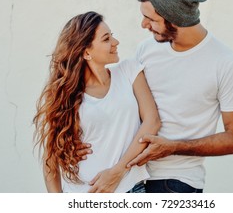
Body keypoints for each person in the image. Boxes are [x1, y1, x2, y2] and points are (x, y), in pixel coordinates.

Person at [125, 0, 233, 193]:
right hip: (130, 178)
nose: (144, 24)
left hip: (176, 183)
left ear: (175, 18)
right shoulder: (146, 50)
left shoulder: (225, 63)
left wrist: (173, 148)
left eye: (151, 19)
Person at [33, 11, 161, 193]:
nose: (115, 43)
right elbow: (50, 161)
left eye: (112, 36)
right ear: (86, 52)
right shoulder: (66, 96)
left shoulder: (129, 71)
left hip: (130, 189)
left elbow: (152, 121)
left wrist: (117, 172)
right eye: (106, 39)